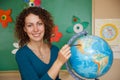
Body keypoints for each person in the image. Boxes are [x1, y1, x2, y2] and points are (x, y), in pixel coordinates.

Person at [15, 7, 71, 80]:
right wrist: (59, 62)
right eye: (30, 25)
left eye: (39, 24)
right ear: (25, 29)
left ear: (45, 25)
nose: (36, 29)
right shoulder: (21, 55)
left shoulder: (54, 50)